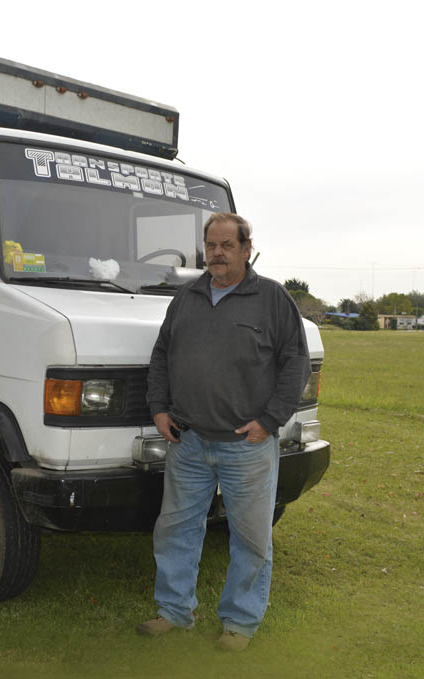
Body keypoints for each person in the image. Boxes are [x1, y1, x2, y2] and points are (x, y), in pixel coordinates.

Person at [137, 212, 310, 651]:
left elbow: (296, 363)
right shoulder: (187, 297)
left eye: (227, 245)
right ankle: (174, 612)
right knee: (175, 531)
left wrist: (269, 421)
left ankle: (240, 624)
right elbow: (162, 355)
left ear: (246, 249)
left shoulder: (272, 298)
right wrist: (159, 409)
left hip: (246, 446)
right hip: (188, 441)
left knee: (251, 539)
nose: (217, 253)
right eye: (211, 245)